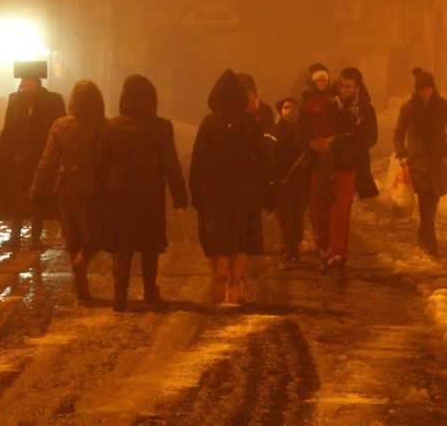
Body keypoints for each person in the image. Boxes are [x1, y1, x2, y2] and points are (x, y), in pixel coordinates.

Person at [97, 75, 188, 313]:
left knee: (122, 246)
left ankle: (120, 294)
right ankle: (149, 290)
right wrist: (180, 199)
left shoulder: (111, 127)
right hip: (149, 195)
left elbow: (101, 165)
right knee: (149, 245)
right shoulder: (161, 127)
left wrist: (99, 195)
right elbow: (171, 165)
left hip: (118, 194)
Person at [190, 69, 268, 305]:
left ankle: (220, 269)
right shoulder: (250, 122)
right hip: (244, 188)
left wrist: (195, 189)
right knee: (242, 237)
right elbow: (262, 158)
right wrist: (263, 187)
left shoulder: (208, 122)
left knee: (216, 235)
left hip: (214, 188)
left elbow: (197, 159)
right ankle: (236, 281)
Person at [29, 80, 106, 306]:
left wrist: (36, 188)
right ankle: (84, 259)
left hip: (67, 187)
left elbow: (48, 161)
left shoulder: (60, 126)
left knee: (72, 238)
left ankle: (82, 290)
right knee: (98, 233)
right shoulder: (105, 126)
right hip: (96, 188)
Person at [307, 67, 379, 281]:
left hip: (347, 167)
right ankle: (323, 246)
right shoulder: (323, 102)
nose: (343, 89)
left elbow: (369, 138)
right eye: (341, 84)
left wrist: (338, 144)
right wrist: (313, 143)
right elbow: (306, 127)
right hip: (320, 165)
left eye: (349, 86)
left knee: (340, 211)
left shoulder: (364, 110)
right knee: (318, 209)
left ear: (357, 88)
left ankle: (337, 252)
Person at [393, 67, 447, 257]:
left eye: (428, 88)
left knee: (431, 204)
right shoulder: (409, 108)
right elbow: (398, 134)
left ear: (433, 88)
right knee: (426, 203)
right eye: (422, 89)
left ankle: (423, 237)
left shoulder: (443, 106)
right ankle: (431, 245)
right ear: (417, 90)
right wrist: (402, 154)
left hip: (439, 163)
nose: (425, 92)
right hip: (418, 164)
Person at [0, 73, 65, 248]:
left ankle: (35, 238)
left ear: (37, 82)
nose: (27, 86)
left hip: (41, 157)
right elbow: (8, 127)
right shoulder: (15, 100)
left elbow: (58, 127)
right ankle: (15, 237)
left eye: (30, 82)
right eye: (24, 83)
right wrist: (2, 152)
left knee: (37, 197)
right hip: (19, 157)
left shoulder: (51, 100)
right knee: (17, 198)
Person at [269, 98, 307, 270]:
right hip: (281, 180)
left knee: (298, 216)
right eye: (286, 108)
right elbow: (269, 156)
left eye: (292, 108)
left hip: (299, 181)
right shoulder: (275, 131)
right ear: (280, 110)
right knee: (284, 218)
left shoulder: (302, 132)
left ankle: (294, 250)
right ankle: (285, 251)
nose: (289, 111)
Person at [299, 63, 337, 203]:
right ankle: (321, 189)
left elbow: (334, 120)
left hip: (328, 139)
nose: (323, 82)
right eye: (319, 79)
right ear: (312, 81)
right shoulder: (307, 102)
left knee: (329, 161)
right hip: (315, 141)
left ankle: (325, 188)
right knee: (322, 163)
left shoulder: (330, 99)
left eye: (325, 79)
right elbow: (303, 126)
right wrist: (311, 141)